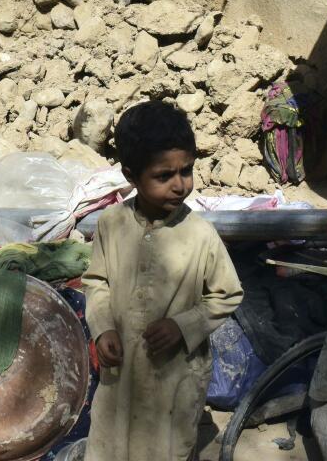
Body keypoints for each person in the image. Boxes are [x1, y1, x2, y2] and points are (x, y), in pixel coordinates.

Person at [82, 100, 244, 460]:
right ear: (130, 175)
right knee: (111, 444)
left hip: (173, 376)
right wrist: (103, 327)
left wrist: (183, 326)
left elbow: (227, 294)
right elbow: (96, 282)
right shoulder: (111, 224)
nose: (179, 185)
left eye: (186, 171)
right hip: (121, 371)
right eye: (163, 176)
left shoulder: (200, 234)